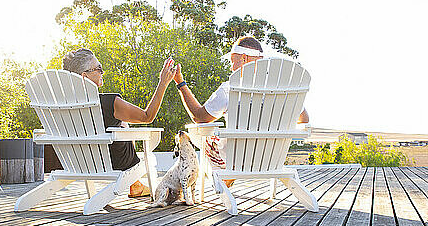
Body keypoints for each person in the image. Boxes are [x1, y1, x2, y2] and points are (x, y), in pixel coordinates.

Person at [173, 36, 309, 187]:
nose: (231, 67)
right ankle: (228, 177)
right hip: (271, 159)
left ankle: (225, 178)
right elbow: (304, 119)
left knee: (206, 138)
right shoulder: (285, 89)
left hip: (236, 161)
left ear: (244, 59)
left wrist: (181, 83)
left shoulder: (228, 89)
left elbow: (199, 117)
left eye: (233, 61)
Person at [63, 48, 176, 197]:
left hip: (76, 162)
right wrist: (163, 83)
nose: (102, 72)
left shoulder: (62, 106)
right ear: (85, 76)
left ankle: (136, 185)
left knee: (120, 124)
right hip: (114, 163)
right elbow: (147, 117)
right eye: (99, 68)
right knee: (122, 125)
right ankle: (135, 183)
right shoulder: (109, 103)